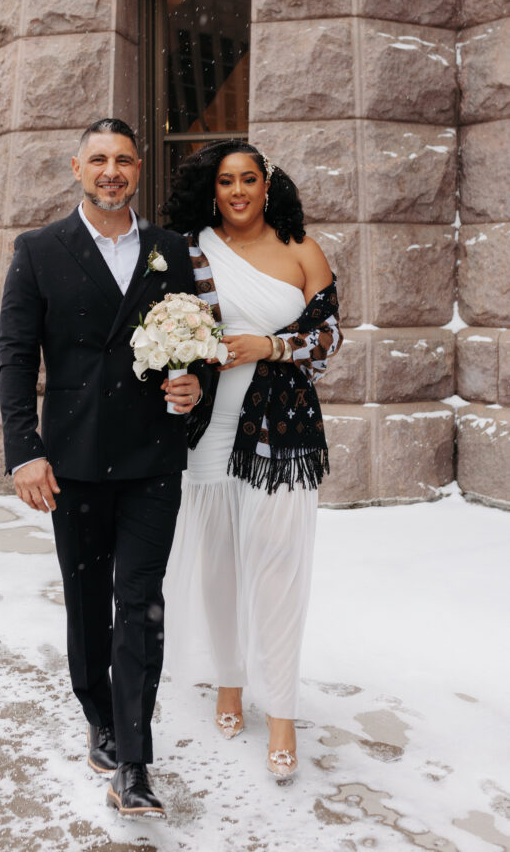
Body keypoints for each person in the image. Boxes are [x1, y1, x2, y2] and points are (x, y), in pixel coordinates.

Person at [0, 118, 207, 818]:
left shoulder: (170, 249)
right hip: (74, 460)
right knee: (89, 603)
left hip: (151, 456)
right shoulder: (38, 250)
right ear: (76, 168)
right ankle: (101, 717)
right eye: (97, 161)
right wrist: (24, 450)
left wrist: (192, 386)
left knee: (140, 605)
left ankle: (136, 765)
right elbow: (17, 355)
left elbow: (195, 342)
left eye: (122, 160)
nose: (110, 171)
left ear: (139, 168)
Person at [162, 139, 342, 777]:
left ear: (268, 186)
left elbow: (327, 339)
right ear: (211, 191)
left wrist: (268, 344)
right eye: (224, 182)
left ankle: (284, 715)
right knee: (220, 564)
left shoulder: (302, 251)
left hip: (282, 432)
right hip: (209, 428)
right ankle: (230, 683)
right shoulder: (189, 249)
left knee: (278, 566)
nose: (237, 191)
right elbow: (164, 326)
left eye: (248, 179)